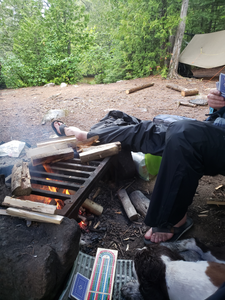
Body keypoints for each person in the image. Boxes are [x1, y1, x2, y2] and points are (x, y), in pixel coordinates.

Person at [52, 89, 225, 244]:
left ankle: (174, 219)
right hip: (217, 128)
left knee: (183, 134)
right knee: (146, 129)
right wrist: (217, 106)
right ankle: (87, 135)